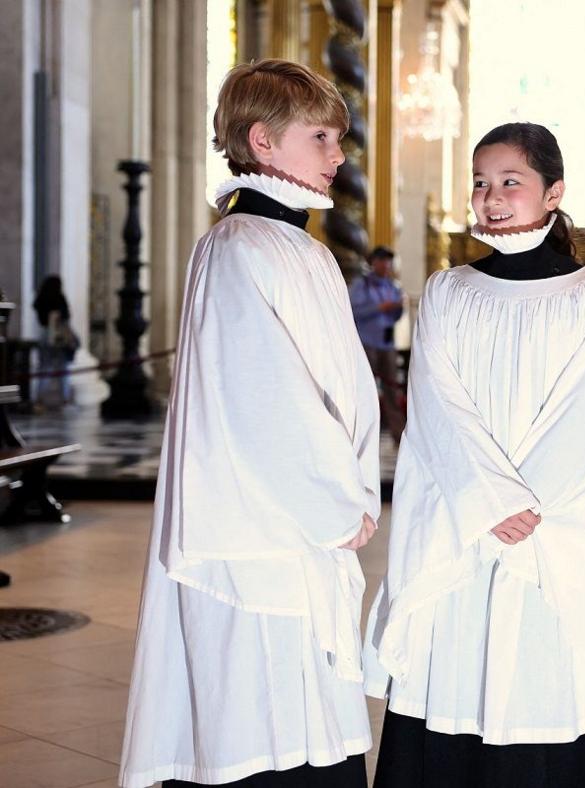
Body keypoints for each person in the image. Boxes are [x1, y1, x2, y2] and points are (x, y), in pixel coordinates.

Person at [119, 59, 381, 788]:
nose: (338, 155)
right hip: (260, 535)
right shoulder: (238, 249)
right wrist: (340, 503)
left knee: (303, 721)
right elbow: (267, 405)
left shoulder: (306, 252)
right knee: (261, 726)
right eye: (323, 137)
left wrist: (355, 492)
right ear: (262, 142)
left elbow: (344, 391)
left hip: (303, 526)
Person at [363, 122, 585, 787]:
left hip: (556, 533)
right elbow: (436, 407)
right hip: (467, 531)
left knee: (550, 680)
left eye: (511, 182)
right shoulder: (450, 290)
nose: (491, 198)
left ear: (554, 192)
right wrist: (490, 502)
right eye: (481, 184)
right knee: (462, 675)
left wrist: (520, 508)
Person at [349, 245, 406, 439]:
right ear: (373, 262)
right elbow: (353, 312)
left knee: (392, 389)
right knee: (365, 388)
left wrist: (397, 309)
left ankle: (399, 435)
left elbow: (396, 315)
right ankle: (360, 431)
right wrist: (380, 307)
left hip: (386, 343)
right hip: (367, 342)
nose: (386, 265)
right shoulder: (361, 284)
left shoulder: (392, 286)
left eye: (388, 261)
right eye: (382, 260)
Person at [31, 274, 75, 409]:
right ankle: (65, 400)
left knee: (45, 368)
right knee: (63, 368)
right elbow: (66, 316)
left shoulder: (40, 299)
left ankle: (39, 399)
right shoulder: (59, 299)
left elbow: (40, 317)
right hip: (58, 335)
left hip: (44, 334)